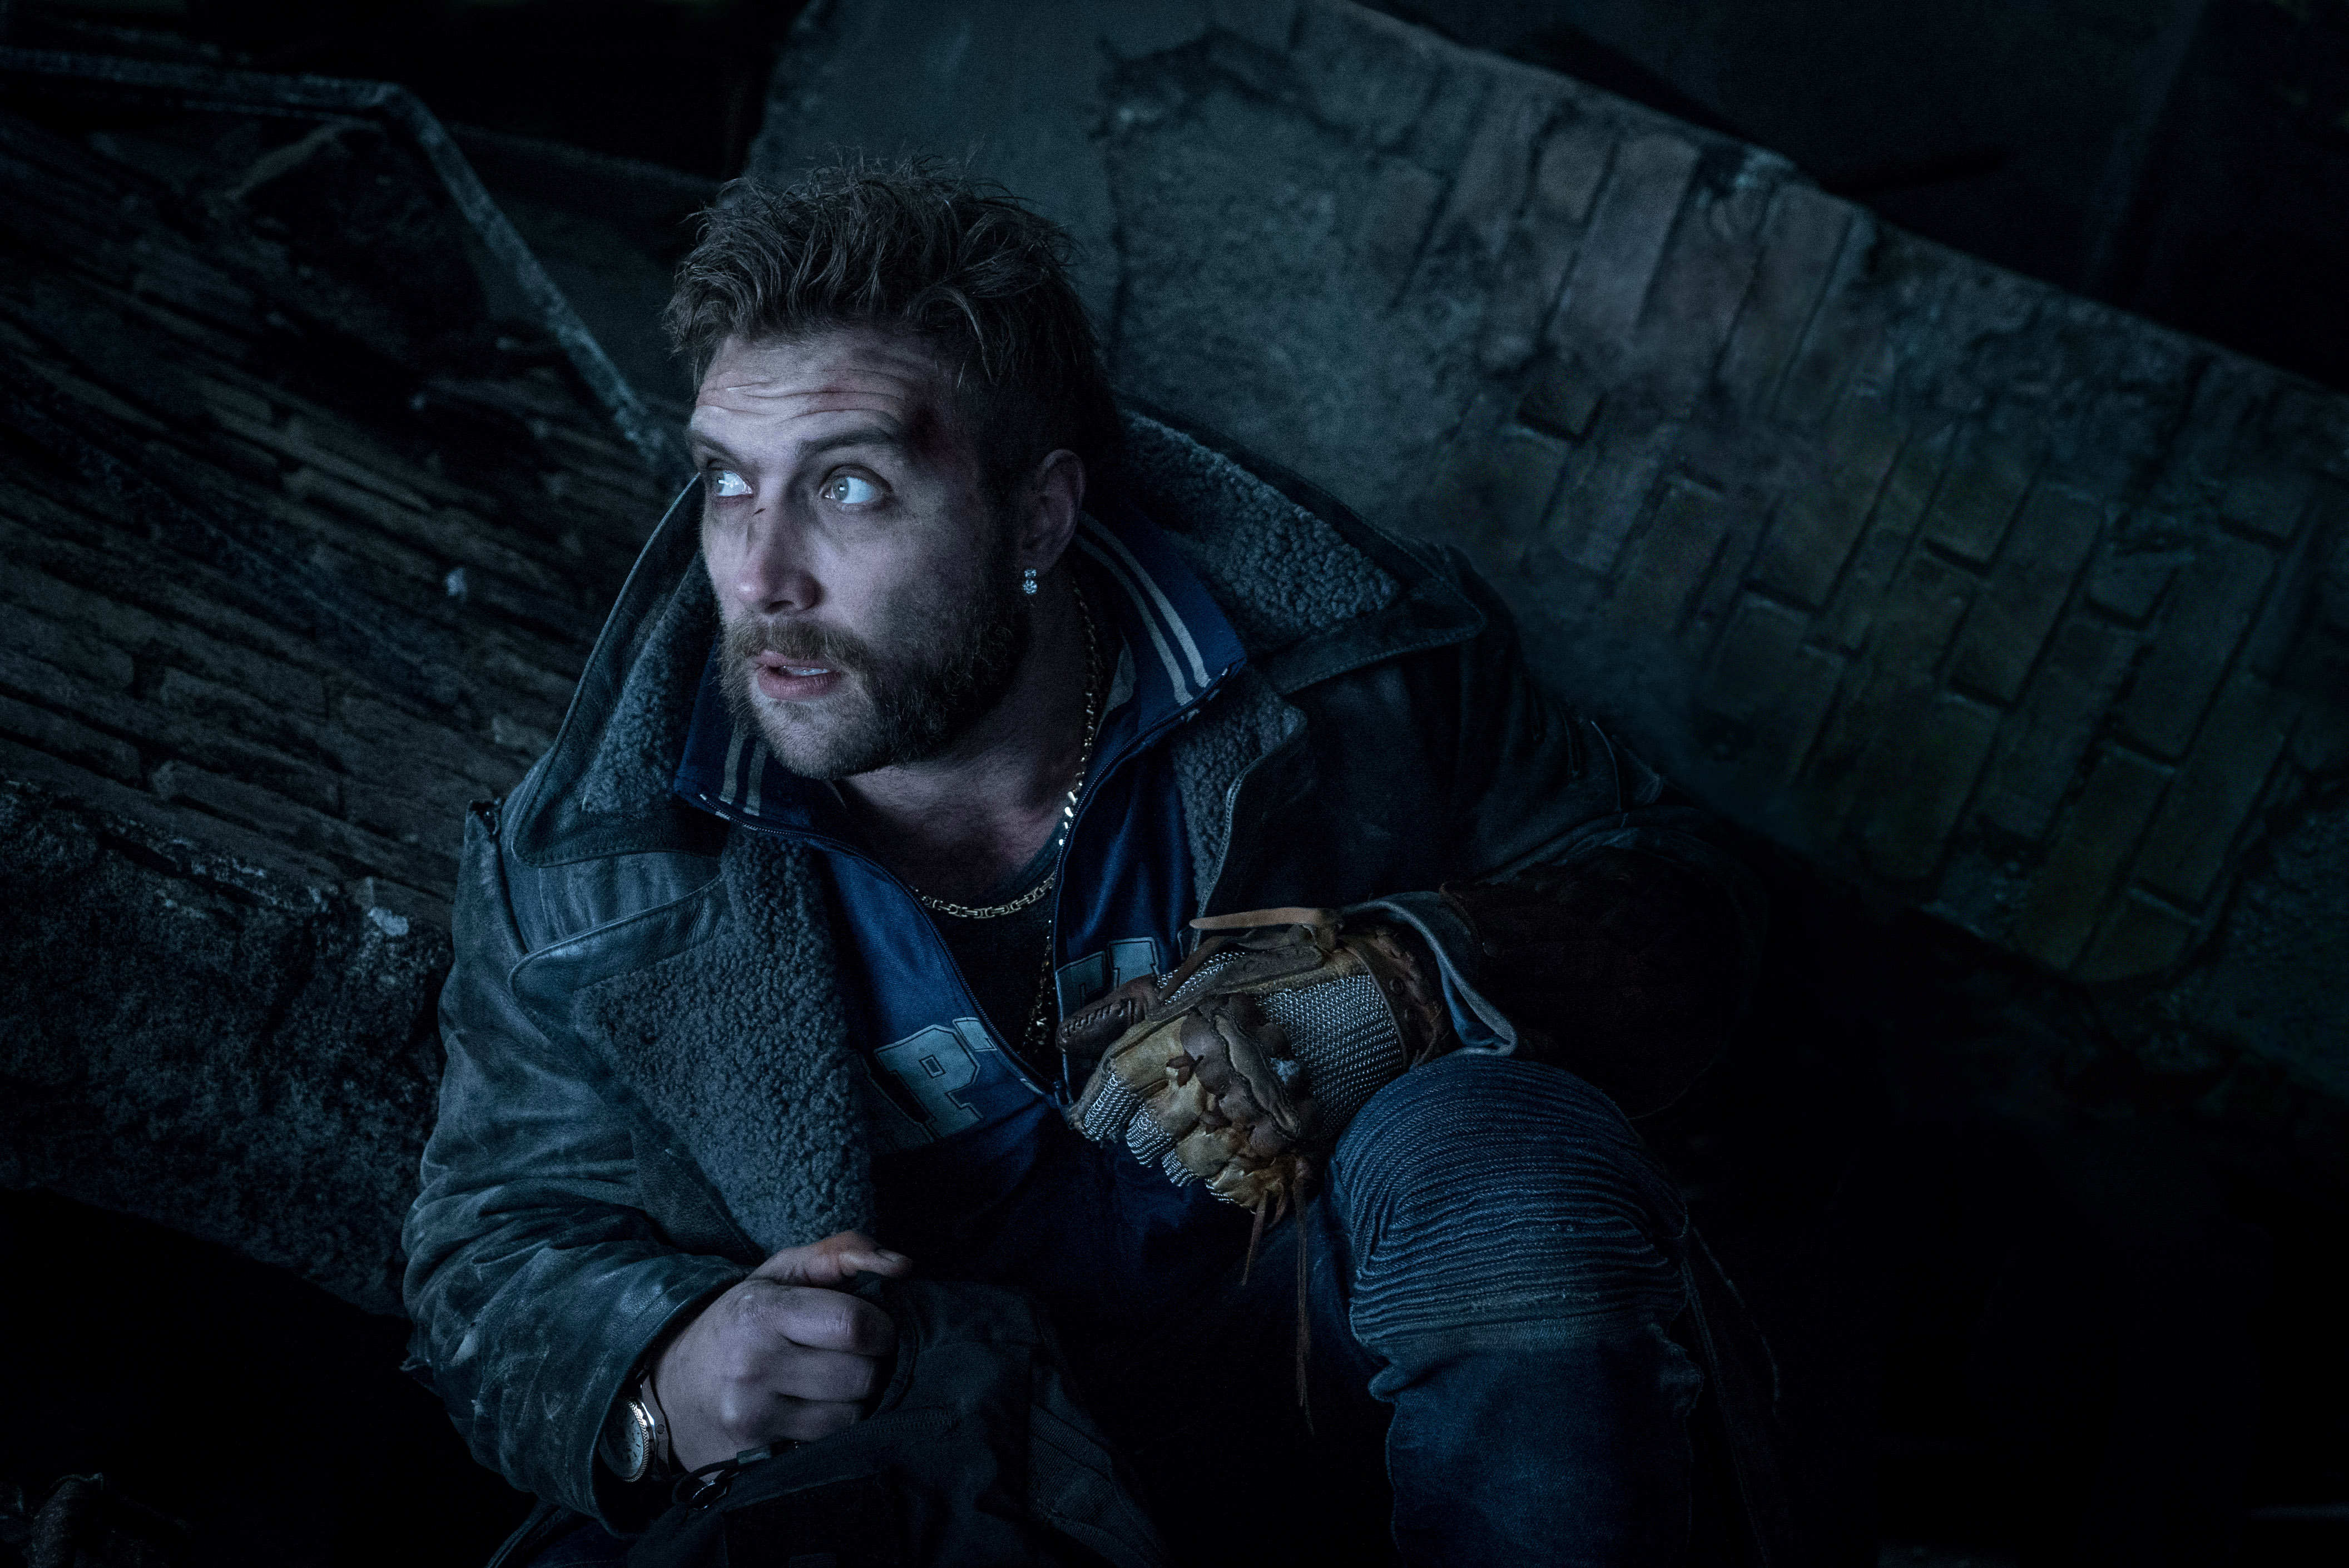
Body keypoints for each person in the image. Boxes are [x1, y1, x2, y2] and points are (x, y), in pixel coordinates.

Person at [403, 158, 1785, 1567]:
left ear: (1040, 516)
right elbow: (489, 1253)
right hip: (949, 1476)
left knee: (1499, 1152)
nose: (761, 577)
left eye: (852, 487)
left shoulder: (1359, 664)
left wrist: (1422, 977)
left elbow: (1686, 893)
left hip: (1337, 1378)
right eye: (725, 484)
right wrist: (661, 1377)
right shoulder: (594, 863)